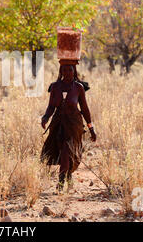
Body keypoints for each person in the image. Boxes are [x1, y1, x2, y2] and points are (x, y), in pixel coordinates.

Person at [40, 63, 97, 191]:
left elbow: (85, 109)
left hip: (74, 124)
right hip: (58, 123)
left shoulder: (78, 88)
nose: (67, 72)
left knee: (66, 150)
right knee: (62, 151)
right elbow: (51, 106)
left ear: (74, 71)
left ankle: (60, 184)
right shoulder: (55, 87)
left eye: (70, 70)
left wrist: (91, 128)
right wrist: (45, 117)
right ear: (61, 71)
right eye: (64, 70)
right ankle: (68, 176)